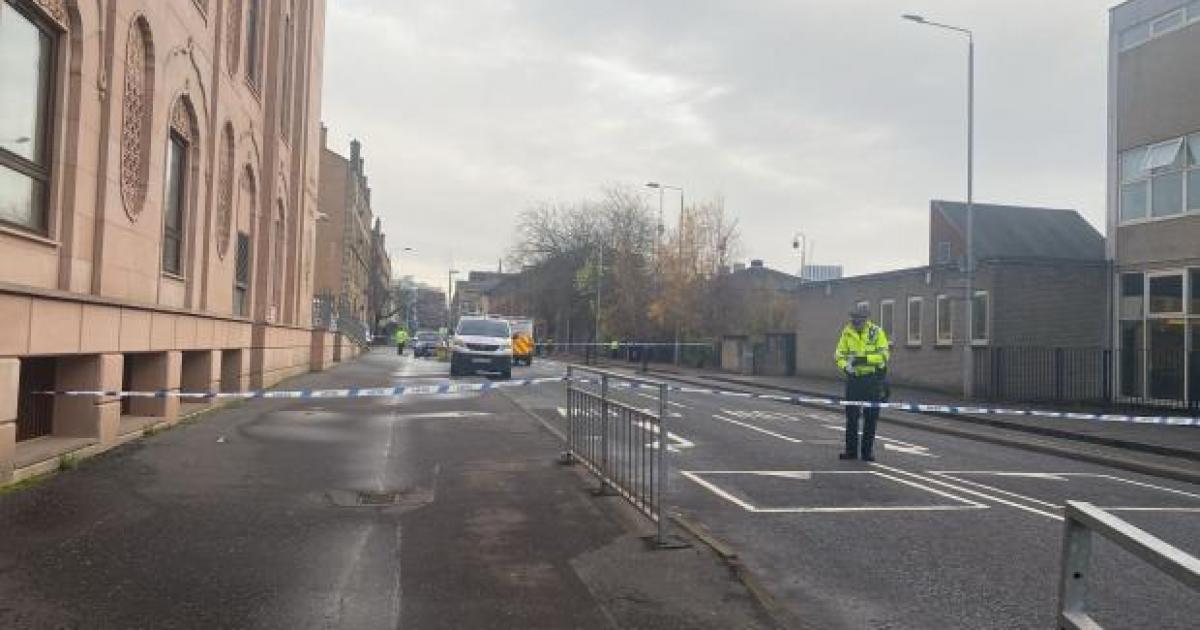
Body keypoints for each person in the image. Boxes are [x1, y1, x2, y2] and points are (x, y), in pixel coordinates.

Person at [834, 304, 890, 462]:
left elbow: (884, 355)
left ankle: (867, 452)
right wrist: (846, 367)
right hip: (854, 380)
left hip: (872, 379)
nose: (855, 322)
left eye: (859, 319)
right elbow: (839, 355)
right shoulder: (847, 332)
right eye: (853, 319)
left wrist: (865, 359)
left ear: (866, 319)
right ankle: (851, 451)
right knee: (851, 417)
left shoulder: (876, 332)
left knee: (870, 417)